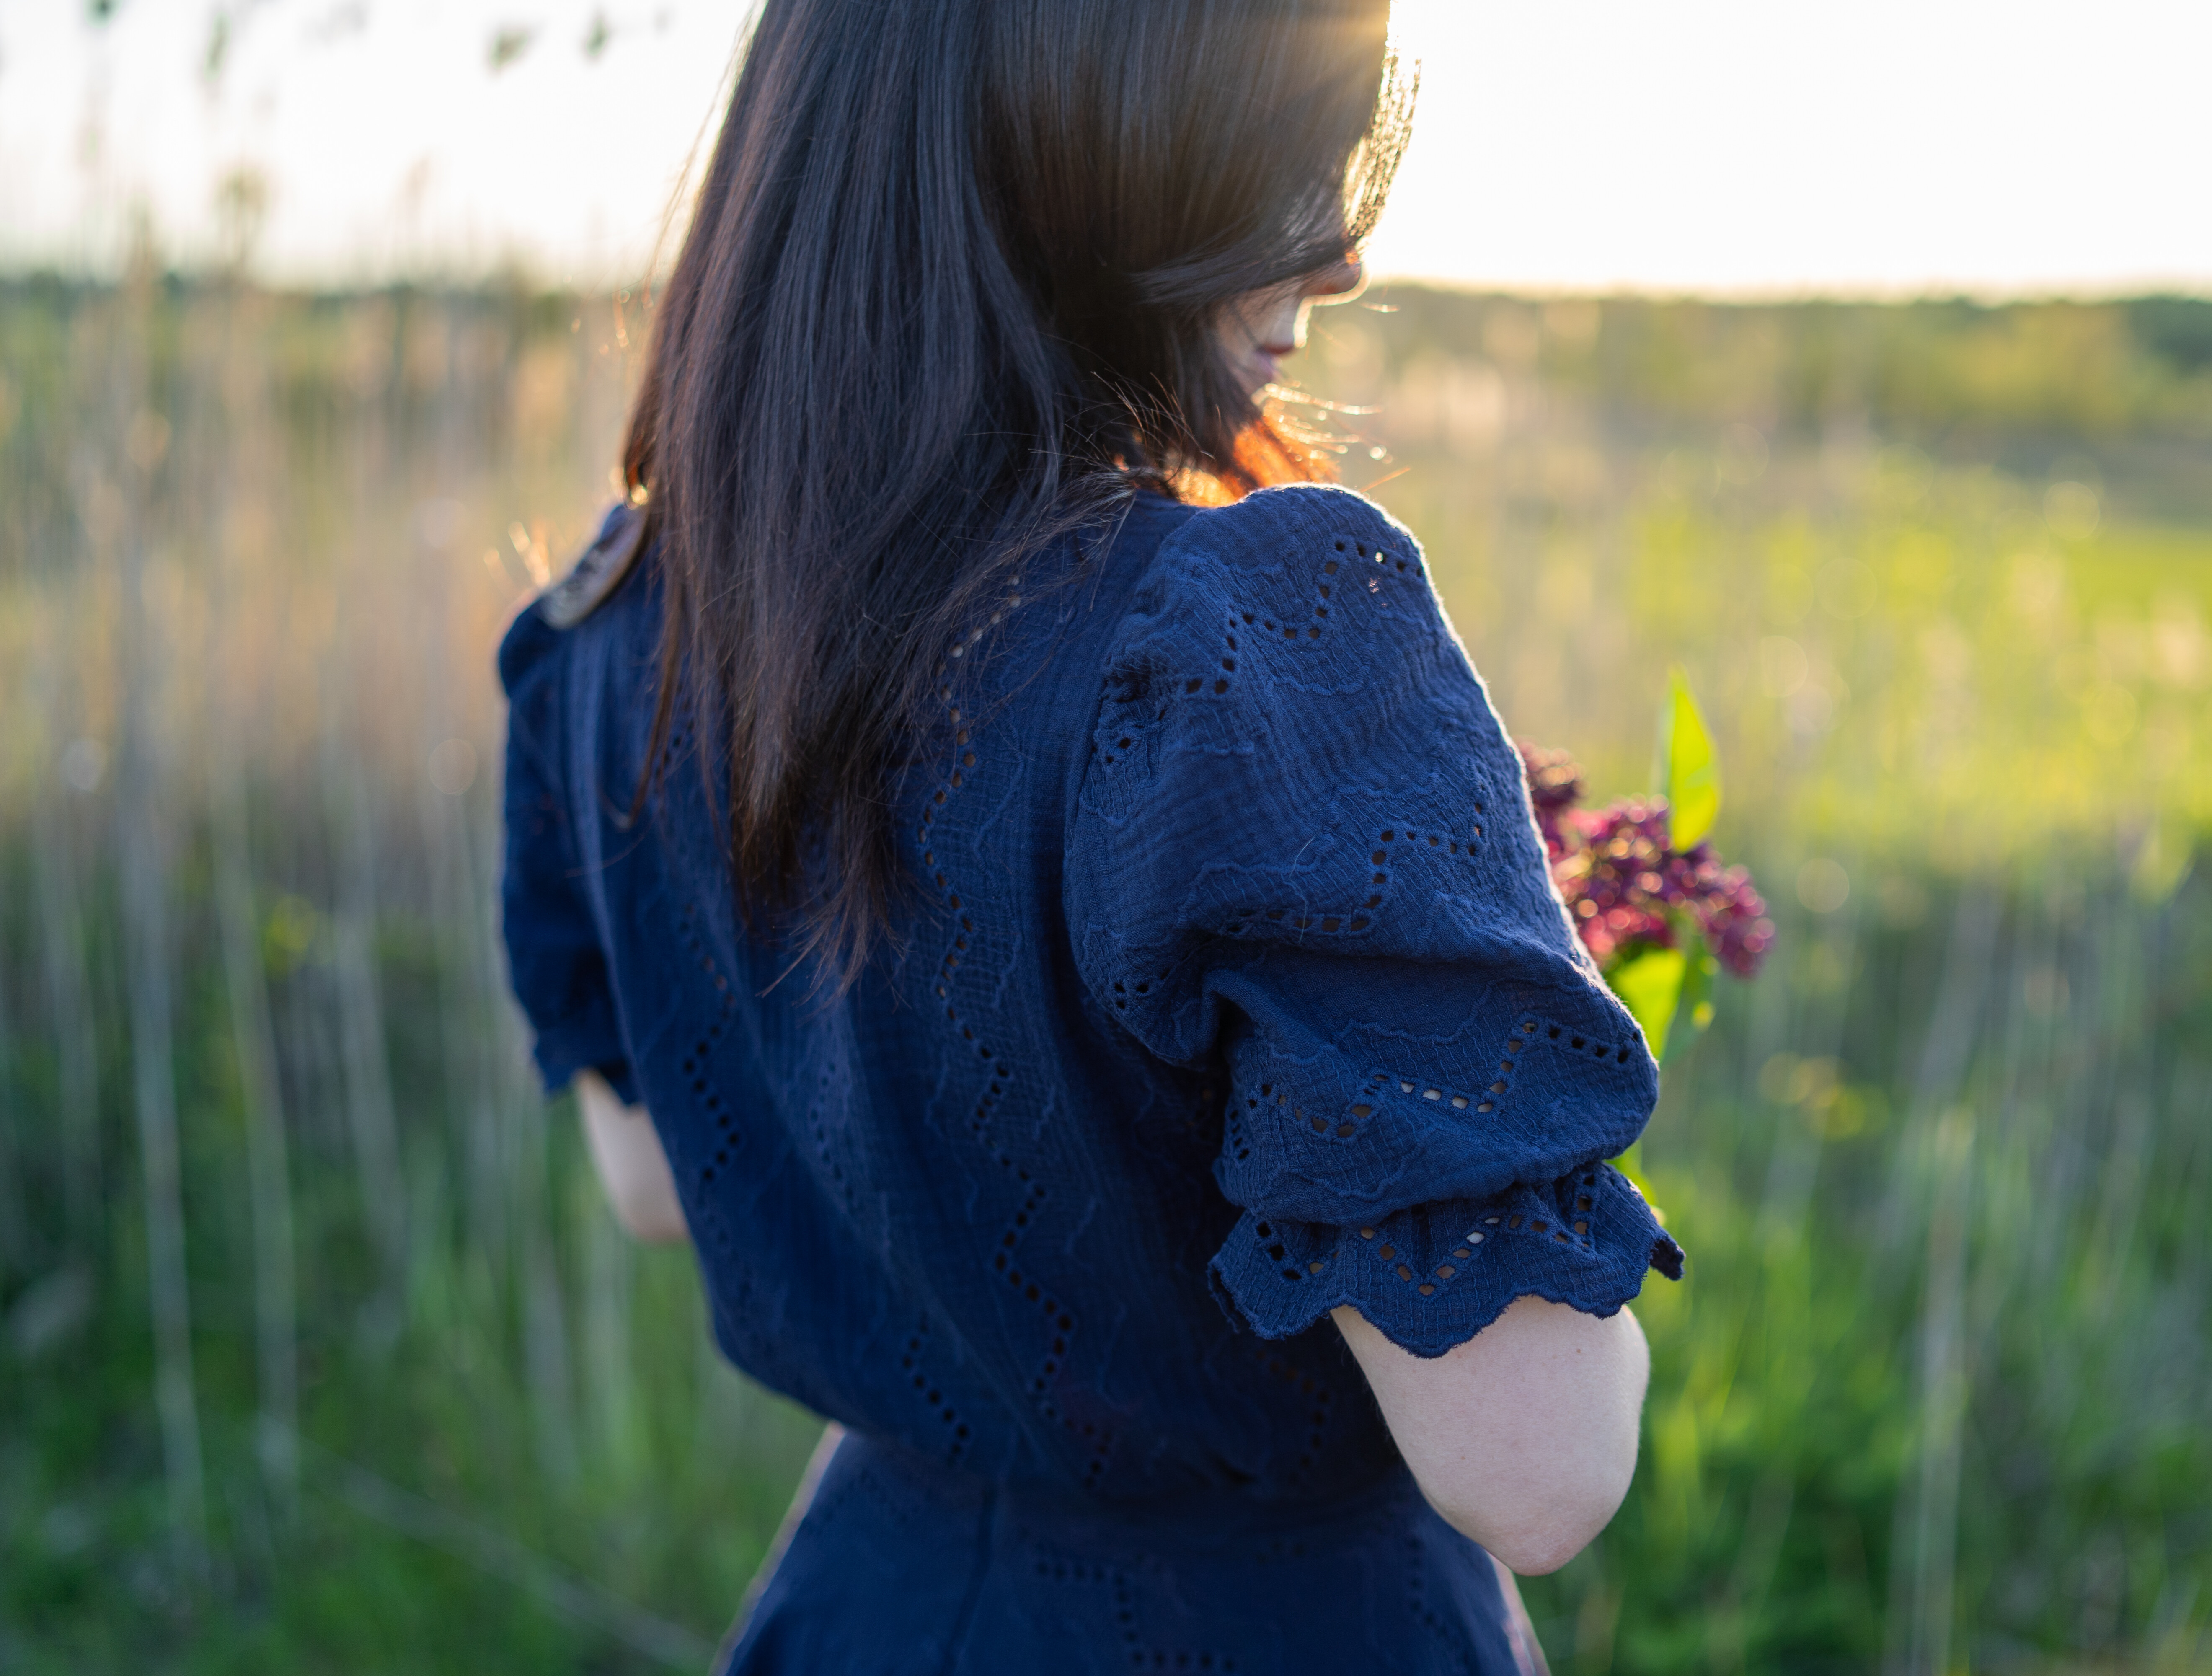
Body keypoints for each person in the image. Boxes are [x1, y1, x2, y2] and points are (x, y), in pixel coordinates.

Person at [498, 2, 1681, 1669]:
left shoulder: (614, 634)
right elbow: (1539, 1468)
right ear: (1072, 156)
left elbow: (650, 1183)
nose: (1336, 258)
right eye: (1276, 164)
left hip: (870, 1604)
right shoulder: (1243, 643)